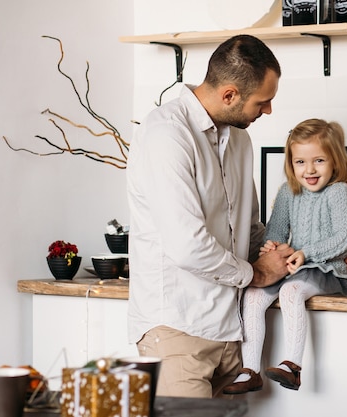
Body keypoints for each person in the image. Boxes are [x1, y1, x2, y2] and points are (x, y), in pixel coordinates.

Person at [126, 34, 296, 398]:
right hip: (176, 331)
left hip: (229, 333)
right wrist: (257, 272)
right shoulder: (166, 134)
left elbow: (248, 227)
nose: (268, 111)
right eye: (263, 102)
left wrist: (281, 253)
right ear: (230, 94)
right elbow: (187, 246)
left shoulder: (238, 139)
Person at [223, 119, 347, 395]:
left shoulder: (339, 192)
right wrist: (270, 248)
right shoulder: (288, 192)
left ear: (335, 161)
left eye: (319, 160)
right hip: (293, 266)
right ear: (291, 163)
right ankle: (249, 370)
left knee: (291, 292)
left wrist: (305, 253)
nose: (309, 169)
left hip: (326, 268)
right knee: (252, 294)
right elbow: (274, 230)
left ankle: (293, 367)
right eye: (300, 162)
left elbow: (345, 238)